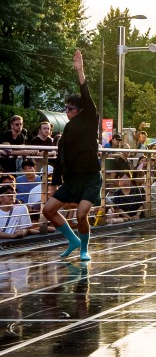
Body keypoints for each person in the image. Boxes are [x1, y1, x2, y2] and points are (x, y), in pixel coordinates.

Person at [41, 50, 102, 261]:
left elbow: (86, 95)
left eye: (71, 108)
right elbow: (61, 157)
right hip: (72, 179)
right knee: (48, 211)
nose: (67, 111)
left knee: (81, 214)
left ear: (81, 110)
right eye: (65, 108)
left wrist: (80, 70)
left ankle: (84, 248)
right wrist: (54, 183)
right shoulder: (66, 132)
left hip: (90, 178)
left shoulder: (90, 120)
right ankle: (73, 240)